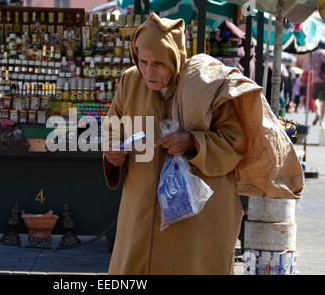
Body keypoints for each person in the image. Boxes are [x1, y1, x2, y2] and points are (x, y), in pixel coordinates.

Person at [102, 13, 303, 275]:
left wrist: (193, 142)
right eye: (143, 62)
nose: (149, 72)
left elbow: (234, 143)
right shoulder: (130, 82)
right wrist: (112, 155)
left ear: (175, 60)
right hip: (140, 214)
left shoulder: (205, 85)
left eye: (158, 64)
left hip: (194, 223)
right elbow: (112, 131)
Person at [311, 48, 325, 125]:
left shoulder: (313, 54)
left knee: (315, 98)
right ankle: (321, 120)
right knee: (324, 100)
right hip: (324, 80)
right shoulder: (324, 53)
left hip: (315, 80)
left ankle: (317, 113)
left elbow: (308, 67)